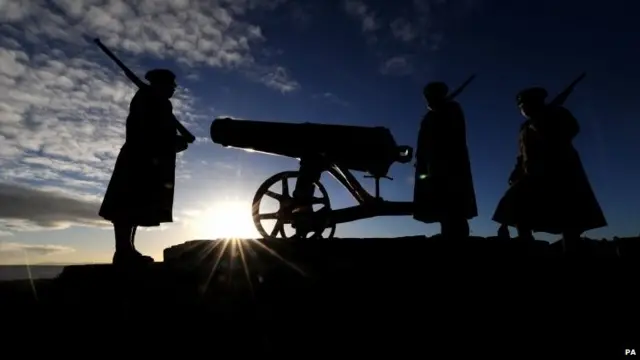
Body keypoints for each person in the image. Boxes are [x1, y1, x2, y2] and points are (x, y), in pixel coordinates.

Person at [492, 87, 607, 249]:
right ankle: (527, 247)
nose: (522, 109)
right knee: (515, 208)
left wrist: (543, 124)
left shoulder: (557, 114)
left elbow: (571, 131)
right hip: (530, 174)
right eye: (520, 106)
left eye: (525, 104)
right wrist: (517, 169)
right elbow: (522, 153)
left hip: (560, 171)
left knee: (568, 217)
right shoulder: (524, 127)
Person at [99, 69, 189, 265]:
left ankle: (127, 250)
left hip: (150, 160)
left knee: (137, 207)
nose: (173, 88)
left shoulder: (162, 103)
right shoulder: (145, 99)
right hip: (139, 158)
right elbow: (145, 131)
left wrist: (173, 142)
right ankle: (123, 251)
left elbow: (161, 132)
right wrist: (172, 142)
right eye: (170, 85)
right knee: (127, 206)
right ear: (160, 84)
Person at [413, 82, 478, 238]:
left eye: (431, 95)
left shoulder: (451, 109)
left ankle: (457, 239)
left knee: (454, 205)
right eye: (426, 96)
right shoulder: (429, 116)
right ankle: (448, 235)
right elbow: (423, 142)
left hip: (450, 166)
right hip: (429, 166)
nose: (428, 99)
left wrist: (440, 112)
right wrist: (420, 161)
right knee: (440, 206)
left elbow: (454, 137)